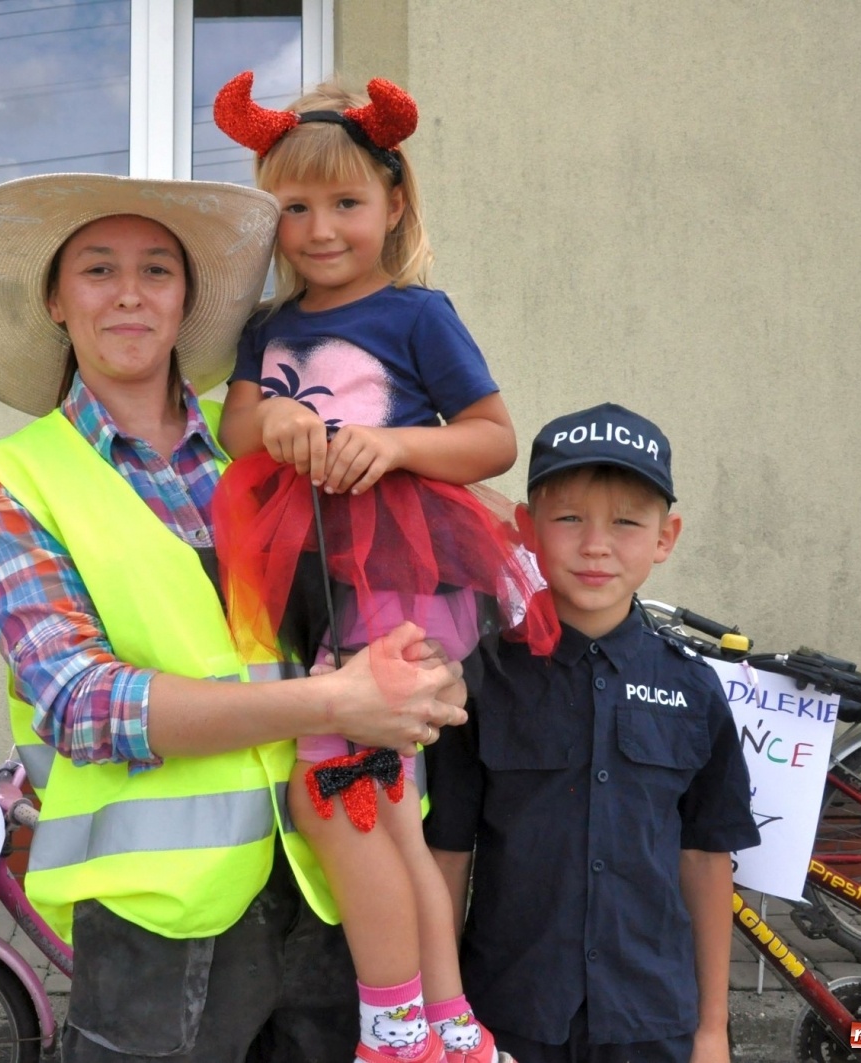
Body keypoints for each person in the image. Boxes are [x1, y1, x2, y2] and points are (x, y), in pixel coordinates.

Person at [0, 171, 470, 1063]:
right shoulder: (13, 474)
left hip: (336, 885)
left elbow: (388, 584)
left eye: (157, 270)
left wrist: (424, 671)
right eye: (98, 270)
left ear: (188, 300)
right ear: (57, 301)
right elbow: (81, 703)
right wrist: (338, 703)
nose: (131, 293)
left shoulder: (269, 437)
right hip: (156, 924)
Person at [209, 72, 558, 1063]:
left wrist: (397, 445)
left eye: (347, 203)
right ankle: (450, 1023)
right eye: (295, 208)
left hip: (410, 564)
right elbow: (239, 425)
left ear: (394, 203)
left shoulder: (414, 313)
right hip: (318, 576)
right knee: (389, 798)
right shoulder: (267, 327)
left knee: (336, 774)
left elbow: (492, 438)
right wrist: (275, 417)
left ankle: (394, 1023)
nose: (320, 229)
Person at [424, 403, 761, 1063]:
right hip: (507, 1016)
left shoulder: (694, 689)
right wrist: (445, 1016)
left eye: (628, 522)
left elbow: (707, 858)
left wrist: (712, 1030)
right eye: (569, 517)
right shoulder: (482, 680)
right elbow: (446, 856)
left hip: (652, 1021)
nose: (596, 545)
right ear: (527, 528)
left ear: (667, 537)